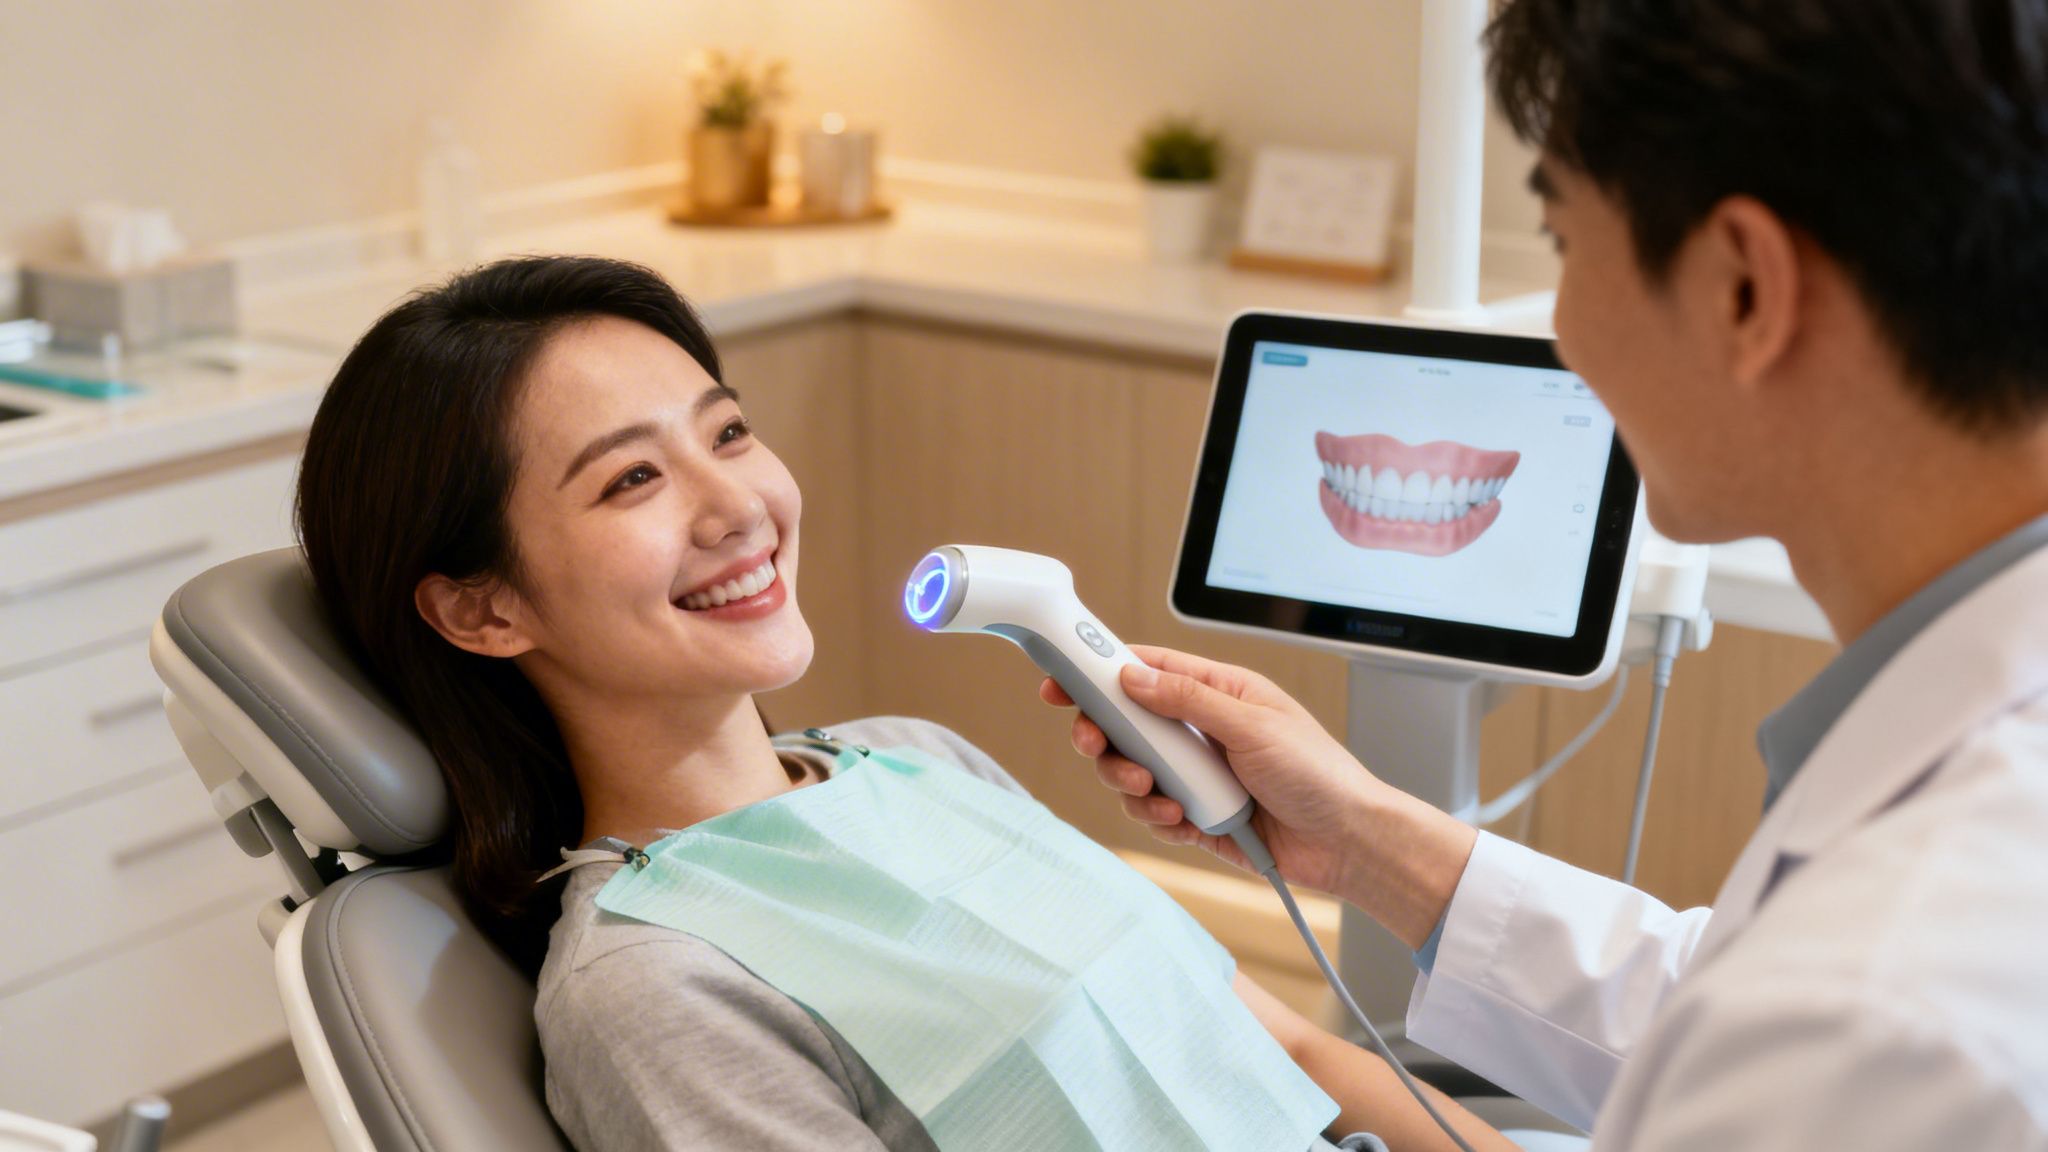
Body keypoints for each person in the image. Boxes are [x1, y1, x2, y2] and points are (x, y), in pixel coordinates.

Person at [1047, 1, 2048, 1148]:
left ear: (1742, 289)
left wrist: (1308, 1058)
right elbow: (1718, 1016)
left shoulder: (1891, 1010)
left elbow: (1801, 1044)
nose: (1562, 335)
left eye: (1566, 245)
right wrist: (1365, 838)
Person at [292, 255, 1527, 1151]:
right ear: (481, 611)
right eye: (630, 480)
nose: (735, 509)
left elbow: (1299, 1055)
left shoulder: (915, 759)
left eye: (727, 433)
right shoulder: (651, 993)